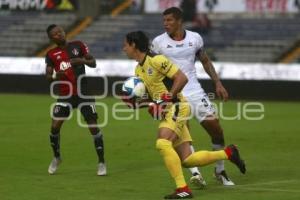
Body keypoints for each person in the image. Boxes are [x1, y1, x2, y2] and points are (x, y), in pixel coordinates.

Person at [122, 31, 246, 199]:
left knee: (163, 143)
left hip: (178, 106)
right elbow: (153, 97)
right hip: (169, 109)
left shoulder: (157, 60)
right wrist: (137, 103)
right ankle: (229, 153)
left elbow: (181, 78)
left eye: (126, 45)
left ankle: (182, 188)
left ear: (134, 45)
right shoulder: (139, 69)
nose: (124, 49)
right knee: (188, 160)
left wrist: (167, 98)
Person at [151, 7, 234, 186]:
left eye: (169, 20)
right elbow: (153, 70)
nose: (165, 24)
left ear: (179, 21)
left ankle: (220, 171)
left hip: (195, 91)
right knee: (183, 134)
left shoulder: (195, 38)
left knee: (216, 129)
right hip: (174, 94)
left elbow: (205, 60)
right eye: (164, 21)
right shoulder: (158, 43)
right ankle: (196, 174)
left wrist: (218, 83)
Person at [45, 24, 106, 176]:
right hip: (65, 94)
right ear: (51, 38)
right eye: (55, 34)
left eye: (60, 31)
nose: (59, 34)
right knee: (55, 126)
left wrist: (82, 61)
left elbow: (93, 63)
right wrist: (54, 77)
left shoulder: (78, 45)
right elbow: (48, 76)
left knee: (93, 127)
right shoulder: (51, 54)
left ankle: (101, 162)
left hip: (83, 93)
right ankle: (57, 157)